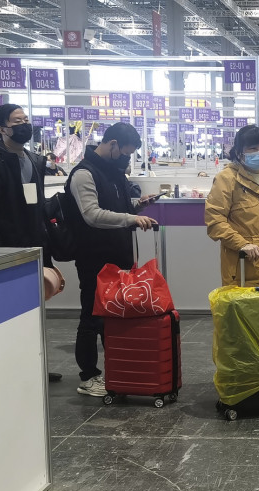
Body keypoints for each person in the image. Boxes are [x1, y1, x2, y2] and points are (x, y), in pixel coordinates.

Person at [65, 122, 157, 397]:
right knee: (91, 317)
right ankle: (88, 376)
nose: (126, 158)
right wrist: (131, 218)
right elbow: (92, 214)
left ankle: (116, 370)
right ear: (112, 143)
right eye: (124, 152)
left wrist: (138, 206)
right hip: (94, 257)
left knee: (114, 317)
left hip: (118, 256)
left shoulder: (113, 172)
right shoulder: (84, 174)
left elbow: (117, 207)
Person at [0, 103, 63, 382]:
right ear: (2, 129)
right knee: (7, 310)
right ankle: (10, 368)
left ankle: (33, 366)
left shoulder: (35, 160)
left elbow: (34, 203)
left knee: (35, 308)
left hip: (36, 244)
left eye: (26, 119)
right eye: (17, 121)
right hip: (7, 246)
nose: (24, 124)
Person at [205, 125, 259, 287]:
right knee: (245, 310)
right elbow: (215, 222)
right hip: (244, 265)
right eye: (252, 148)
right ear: (240, 152)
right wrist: (242, 244)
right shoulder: (227, 179)